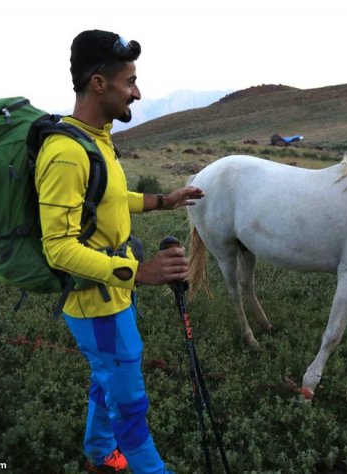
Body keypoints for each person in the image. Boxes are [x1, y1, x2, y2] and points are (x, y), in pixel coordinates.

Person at [35, 29, 204, 474]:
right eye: (129, 81)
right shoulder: (66, 152)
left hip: (112, 297)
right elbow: (58, 248)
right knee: (130, 405)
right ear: (98, 84)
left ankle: (98, 453)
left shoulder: (94, 138)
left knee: (105, 381)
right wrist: (139, 272)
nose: (137, 91)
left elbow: (108, 196)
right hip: (96, 306)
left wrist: (160, 202)